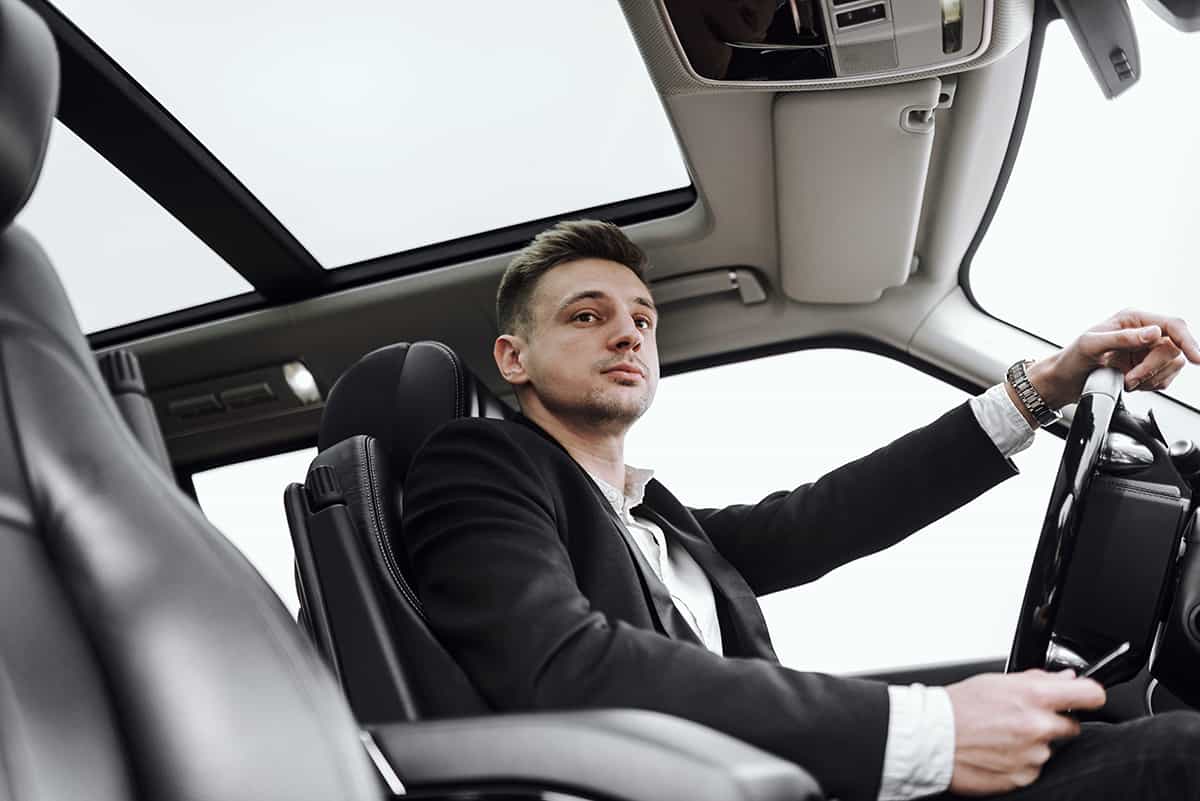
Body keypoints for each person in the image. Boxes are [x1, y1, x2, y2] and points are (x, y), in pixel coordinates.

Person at [401, 219, 1200, 801]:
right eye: (587, 316)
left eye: (642, 318)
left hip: (788, 782)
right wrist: (930, 729)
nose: (628, 335)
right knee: (1178, 757)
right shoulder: (480, 465)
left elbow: (825, 516)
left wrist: (1045, 386)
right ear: (515, 358)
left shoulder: (654, 515)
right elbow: (563, 666)